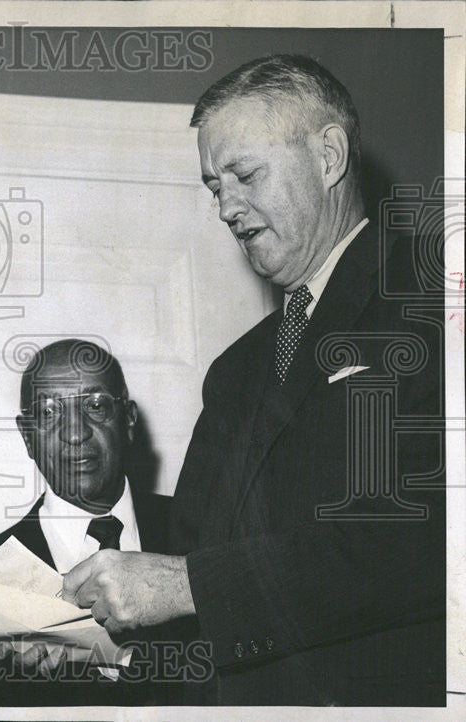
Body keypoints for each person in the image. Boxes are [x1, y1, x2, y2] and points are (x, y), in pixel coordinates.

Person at [61, 54, 445, 706]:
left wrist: (186, 586)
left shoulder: (434, 303)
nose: (226, 209)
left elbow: (426, 540)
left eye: (245, 175)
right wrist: (93, 644)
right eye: (215, 187)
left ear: (328, 157)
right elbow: (194, 554)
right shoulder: (236, 369)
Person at [0, 338, 181, 706]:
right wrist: (3, 683)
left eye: (95, 405)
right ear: (27, 436)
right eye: (48, 412)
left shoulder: (208, 537)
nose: (75, 433)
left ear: (129, 420)